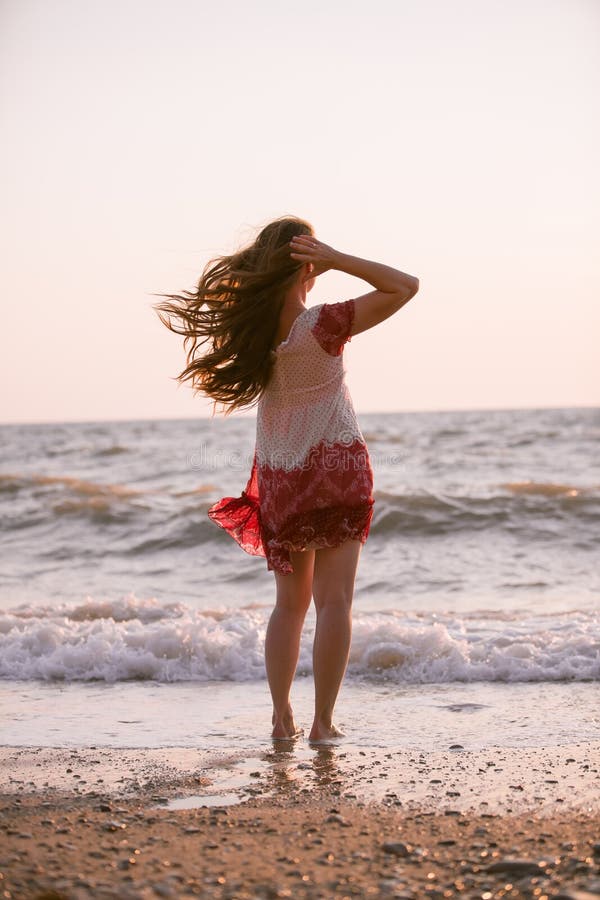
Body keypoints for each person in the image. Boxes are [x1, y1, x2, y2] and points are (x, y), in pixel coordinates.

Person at [155, 216, 419, 743]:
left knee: (288, 606)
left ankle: (281, 718)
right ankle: (323, 724)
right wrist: (339, 257)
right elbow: (405, 286)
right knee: (335, 602)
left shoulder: (252, 339)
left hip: (281, 476)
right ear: (308, 265)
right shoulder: (322, 324)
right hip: (337, 469)